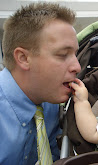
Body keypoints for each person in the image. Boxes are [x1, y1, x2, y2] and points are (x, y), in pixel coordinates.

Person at [0, 2, 81, 165]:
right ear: (23, 58)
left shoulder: (48, 102)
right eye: (63, 54)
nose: (77, 67)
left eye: (75, 54)